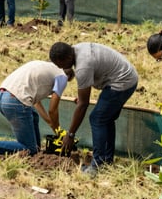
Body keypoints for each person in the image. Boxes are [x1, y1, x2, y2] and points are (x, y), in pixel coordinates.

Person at [49, 42, 138, 174]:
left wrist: (70, 134)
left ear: (67, 58)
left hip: (122, 82)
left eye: (59, 64)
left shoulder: (83, 67)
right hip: (126, 75)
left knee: (97, 119)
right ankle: (107, 160)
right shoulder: (77, 49)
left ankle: (97, 165)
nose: (59, 68)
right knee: (106, 118)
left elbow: (83, 104)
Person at [0, 55, 69, 160]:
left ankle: (36, 151)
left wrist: (51, 123)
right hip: (16, 101)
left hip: (3, 97)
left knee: (33, 116)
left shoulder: (44, 67)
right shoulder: (63, 76)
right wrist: (58, 131)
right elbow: (52, 110)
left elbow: (36, 103)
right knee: (28, 148)